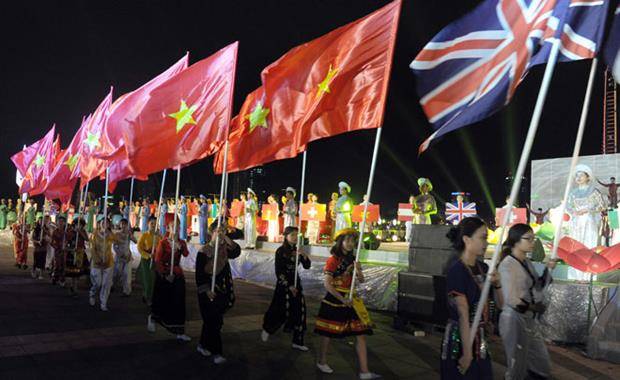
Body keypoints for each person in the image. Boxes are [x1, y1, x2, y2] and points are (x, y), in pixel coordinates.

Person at [441, 217, 503, 379]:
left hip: (480, 339)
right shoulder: (457, 271)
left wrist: (497, 284)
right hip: (460, 340)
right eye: (482, 237)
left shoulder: (483, 268)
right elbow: (463, 313)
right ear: (467, 240)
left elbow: (501, 305)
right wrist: (467, 353)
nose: (486, 242)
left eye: (487, 238)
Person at [315, 229, 378, 379]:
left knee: (361, 334)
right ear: (340, 242)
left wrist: (358, 270)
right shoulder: (333, 260)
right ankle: (322, 361)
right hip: (335, 300)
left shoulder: (354, 259)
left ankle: (364, 371)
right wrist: (342, 299)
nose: (350, 244)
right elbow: (327, 285)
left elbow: (361, 280)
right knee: (328, 333)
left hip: (352, 300)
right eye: (347, 240)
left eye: (352, 241)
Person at [498, 224, 556, 380]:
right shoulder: (507, 265)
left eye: (533, 238)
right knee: (516, 365)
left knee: (541, 362)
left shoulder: (526, 262)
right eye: (528, 238)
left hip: (528, 319)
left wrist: (548, 270)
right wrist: (533, 306)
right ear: (516, 240)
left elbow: (538, 286)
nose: (532, 242)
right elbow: (511, 299)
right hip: (513, 320)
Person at [195, 223, 242, 364]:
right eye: (217, 231)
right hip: (209, 291)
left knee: (212, 321)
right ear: (211, 233)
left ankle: (202, 344)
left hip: (222, 291)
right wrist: (207, 290)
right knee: (214, 322)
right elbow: (199, 275)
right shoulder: (204, 251)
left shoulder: (224, 249)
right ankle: (217, 352)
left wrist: (225, 236)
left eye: (222, 231)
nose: (220, 234)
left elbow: (236, 250)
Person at [262, 226, 311, 350]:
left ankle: (298, 341)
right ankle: (268, 328)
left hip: (296, 283)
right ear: (286, 236)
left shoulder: (298, 250)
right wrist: (289, 285)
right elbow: (279, 271)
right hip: (284, 284)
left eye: (296, 235)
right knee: (279, 309)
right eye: (292, 235)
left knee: (300, 311)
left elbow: (306, 266)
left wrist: (304, 255)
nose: (295, 237)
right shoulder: (281, 251)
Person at [148, 220, 191, 341]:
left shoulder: (181, 242)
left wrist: (181, 247)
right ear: (168, 229)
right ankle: (153, 317)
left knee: (179, 302)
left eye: (178, 228)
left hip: (177, 273)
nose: (176, 230)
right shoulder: (163, 243)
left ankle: (179, 330)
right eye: (174, 228)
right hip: (165, 273)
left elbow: (186, 254)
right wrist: (165, 275)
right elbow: (157, 260)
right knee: (161, 299)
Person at [567, 164, 606, 249]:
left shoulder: (593, 191)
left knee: (588, 243)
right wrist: (574, 211)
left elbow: (601, 206)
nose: (579, 177)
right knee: (576, 242)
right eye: (577, 175)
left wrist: (588, 210)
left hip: (588, 221)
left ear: (588, 177)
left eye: (581, 175)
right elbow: (569, 206)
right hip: (576, 222)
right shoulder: (573, 193)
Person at [89, 217, 116, 311]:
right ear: (99, 224)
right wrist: (97, 259)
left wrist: (108, 233)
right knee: (98, 283)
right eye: (102, 223)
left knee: (106, 284)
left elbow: (115, 239)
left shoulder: (110, 235)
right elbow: (92, 248)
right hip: (97, 263)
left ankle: (103, 303)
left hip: (108, 263)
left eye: (107, 223)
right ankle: (92, 293)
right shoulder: (94, 235)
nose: (104, 225)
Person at [137, 216, 161, 305]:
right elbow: (139, 248)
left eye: (155, 224)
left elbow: (161, 246)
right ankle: (147, 296)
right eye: (152, 224)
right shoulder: (144, 235)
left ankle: (150, 296)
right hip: (146, 260)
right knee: (147, 279)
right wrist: (148, 255)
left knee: (154, 279)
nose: (153, 226)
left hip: (155, 260)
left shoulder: (158, 236)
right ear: (148, 224)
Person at [65, 219, 89, 297]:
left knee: (79, 272)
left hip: (80, 254)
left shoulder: (83, 232)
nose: (79, 226)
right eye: (77, 224)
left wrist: (80, 232)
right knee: (73, 272)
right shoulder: (70, 233)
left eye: (81, 225)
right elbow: (65, 244)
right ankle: (73, 287)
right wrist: (71, 249)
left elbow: (87, 239)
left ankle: (75, 286)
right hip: (72, 253)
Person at [113, 218, 137, 297]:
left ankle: (127, 291)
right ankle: (113, 285)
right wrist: (119, 254)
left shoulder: (128, 234)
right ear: (120, 225)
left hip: (127, 256)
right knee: (117, 273)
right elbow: (114, 246)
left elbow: (136, 241)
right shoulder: (117, 234)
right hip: (119, 256)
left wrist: (131, 235)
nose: (123, 226)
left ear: (127, 225)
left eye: (125, 224)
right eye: (122, 224)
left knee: (127, 274)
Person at [50, 215, 73, 286]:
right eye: (59, 221)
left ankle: (62, 279)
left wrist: (67, 235)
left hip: (65, 250)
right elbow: (52, 241)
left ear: (64, 223)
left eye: (62, 222)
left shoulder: (67, 230)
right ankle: (55, 277)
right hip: (58, 250)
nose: (60, 223)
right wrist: (55, 246)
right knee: (57, 264)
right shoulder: (55, 231)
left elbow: (70, 239)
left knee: (64, 264)